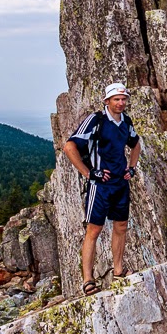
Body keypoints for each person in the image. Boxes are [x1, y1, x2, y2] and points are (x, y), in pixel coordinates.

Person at [63, 82, 141, 296]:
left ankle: (118, 270)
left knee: (121, 226)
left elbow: (136, 144)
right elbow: (69, 146)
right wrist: (89, 173)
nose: (121, 102)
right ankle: (88, 280)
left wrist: (131, 168)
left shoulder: (126, 121)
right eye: (116, 99)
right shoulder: (96, 120)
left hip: (120, 184)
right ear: (107, 101)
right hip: (100, 186)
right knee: (94, 230)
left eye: (124, 99)